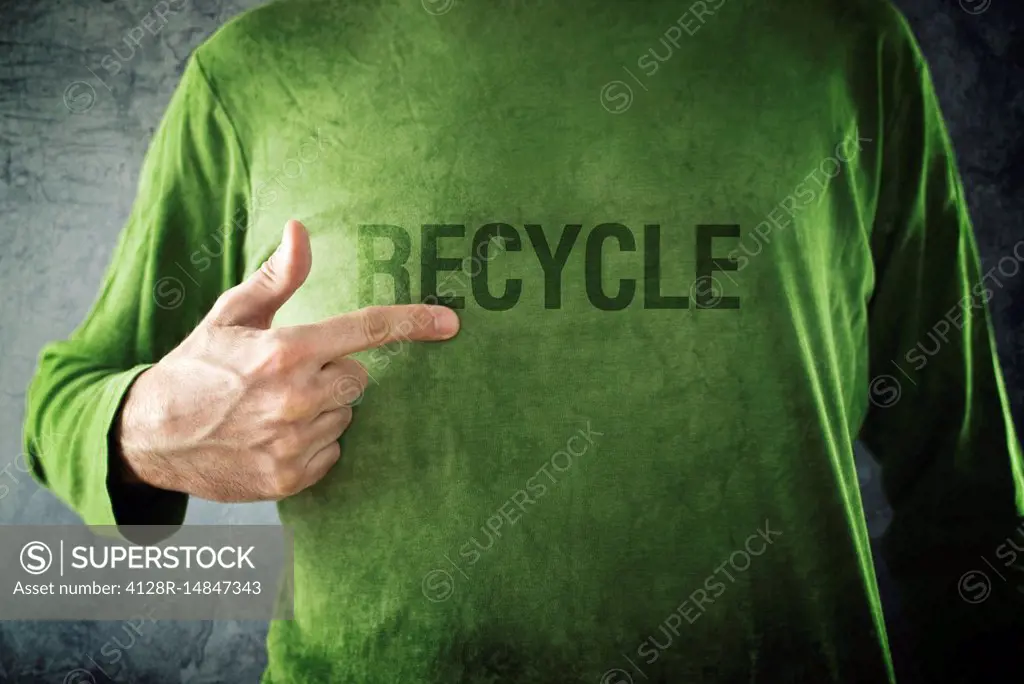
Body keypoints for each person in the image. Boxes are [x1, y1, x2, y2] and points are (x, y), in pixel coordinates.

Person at [23, 0, 1024, 681]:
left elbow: (965, 481)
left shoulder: (843, 42)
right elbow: (66, 400)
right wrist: (145, 428)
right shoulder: (259, 67)